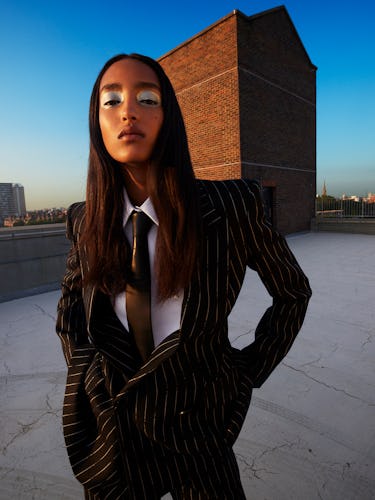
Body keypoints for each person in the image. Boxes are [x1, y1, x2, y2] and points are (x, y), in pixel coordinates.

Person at [56, 53, 311, 499]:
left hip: (197, 431)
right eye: (110, 101)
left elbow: (292, 292)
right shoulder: (84, 219)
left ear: (168, 115)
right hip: (115, 437)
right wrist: (88, 373)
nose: (128, 111)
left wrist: (245, 371)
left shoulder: (233, 205)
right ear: (96, 123)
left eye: (147, 98)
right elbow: (70, 306)